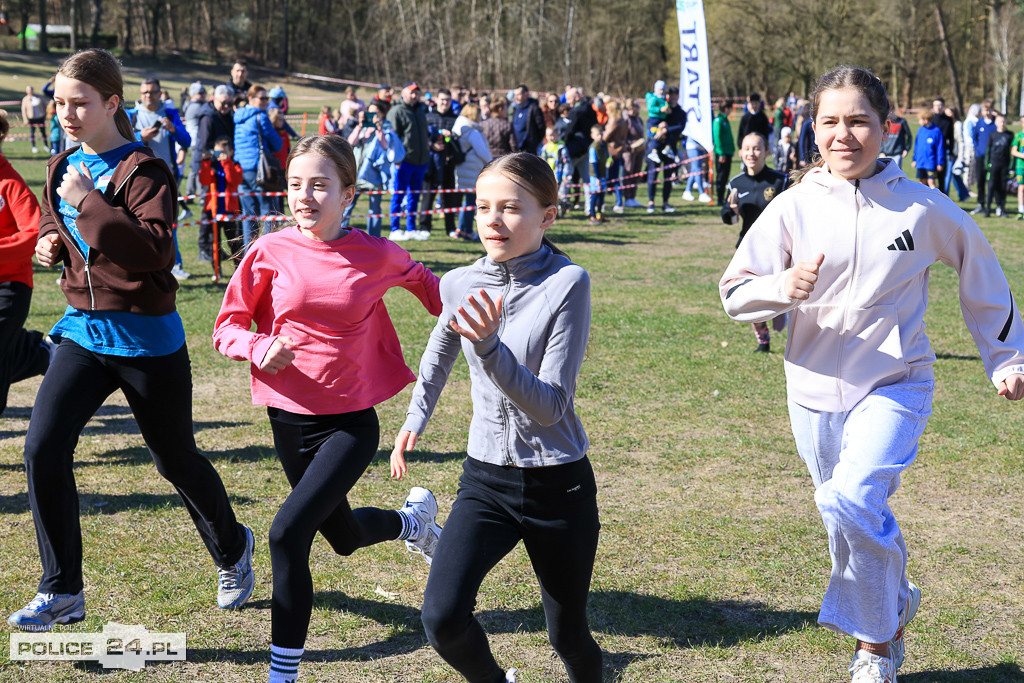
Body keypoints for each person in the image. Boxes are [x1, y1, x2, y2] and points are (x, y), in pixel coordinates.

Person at [720, 64, 1024, 683]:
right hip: (809, 389)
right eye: (830, 121)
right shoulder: (792, 206)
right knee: (843, 516)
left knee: (852, 498)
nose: (844, 134)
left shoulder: (923, 208)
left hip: (895, 381)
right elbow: (733, 293)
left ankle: (877, 647)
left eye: (858, 120)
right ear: (812, 129)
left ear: (886, 126)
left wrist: (1007, 357)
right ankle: (895, 599)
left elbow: (982, 280)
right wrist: (782, 287)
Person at [8, 48, 255, 634]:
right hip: (83, 333)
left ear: (111, 103)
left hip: (146, 339)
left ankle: (231, 545)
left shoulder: (145, 171)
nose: (66, 114)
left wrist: (86, 204)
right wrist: (49, 238)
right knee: (42, 449)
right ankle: (63, 590)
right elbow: (53, 216)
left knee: (175, 460)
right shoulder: (63, 161)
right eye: (59, 103)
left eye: (80, 104)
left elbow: (153, 252)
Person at [213, 134, 442, 683]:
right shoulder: (268, 251)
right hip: (288, 420)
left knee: (286, 533)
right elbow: (226, 328)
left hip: (350, 424)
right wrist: (257, 346)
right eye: (296, 185)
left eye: (319, 185)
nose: (304, 196)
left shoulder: (378, 253)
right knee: (339, 537)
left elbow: (438, 294)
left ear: (348, 194)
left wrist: (493, 295)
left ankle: (282, 673)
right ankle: (413, 523)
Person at [391, 152, 601, 683]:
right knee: (440, 617)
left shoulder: (568, 283)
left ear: (547, 216)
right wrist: (416, 416)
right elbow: (439, 347)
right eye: (483, 206)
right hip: (486, 480)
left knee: (567, 635)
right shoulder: (459, 281)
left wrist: (489, 348)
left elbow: (552, 406)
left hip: (559, 486)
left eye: (511, 207)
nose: (493, 219)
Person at [0, 110, 51, 415]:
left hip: (10, 286)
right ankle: (36, 352)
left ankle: (33, 350)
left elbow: (34, 232)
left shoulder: (10, 183)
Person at [721, 131, 787, 352]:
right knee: (753, 296)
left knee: (784, 292)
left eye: (757, 148)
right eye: (747, 148)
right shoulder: (735, 183)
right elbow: (727, 218)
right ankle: (763, 340)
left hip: (780, 249)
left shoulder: (780, 180)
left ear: (766, 152)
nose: (752, 153)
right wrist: (731, 212)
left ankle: (785, 319)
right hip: (748, 250)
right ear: (741, 152)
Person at [133, 77, 192, 280]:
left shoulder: (170, 114)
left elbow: (187, 140)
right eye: (145, 92)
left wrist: (173, 129)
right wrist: (140, 137)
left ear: (160, 93)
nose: (149, 95)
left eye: (152, 91)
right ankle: (142, 264)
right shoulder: (131, 115)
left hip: (167, 178)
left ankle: (175, 264)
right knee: (138, 223)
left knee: (169, 223)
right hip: (138, 178)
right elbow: (120, 142)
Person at [234, 84, 283, 251]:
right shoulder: (261, 117)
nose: (265, 102)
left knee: (248, 216)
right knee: (269, 212)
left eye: (266, 98)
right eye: (261, 98)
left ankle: (249, 254)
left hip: (241, 169)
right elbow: (277, 145)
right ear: (251, 99)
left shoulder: (238, 116)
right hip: (259, 169)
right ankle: (268, 251)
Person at [345, 103, 405, 237]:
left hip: (374, 176)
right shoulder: (362, 128)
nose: (372, 116)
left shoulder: (387, 129)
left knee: (375, 210)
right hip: (356, 175)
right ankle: (339, 236)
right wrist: (360, 125)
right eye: (369, 112)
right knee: (346, 206)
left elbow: (386, 147)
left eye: (375, 113)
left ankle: (374, 240)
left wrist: (379, 128)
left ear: (382, 114)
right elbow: (350, 142)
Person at [192, 84, 235, 263]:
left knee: (223, 210)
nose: (225, 106)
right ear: (214, 99)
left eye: (228, 103)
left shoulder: (227, 115)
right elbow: (205, 147)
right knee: (208, 210)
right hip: (207, 168)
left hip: (223, 168)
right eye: (222, 103)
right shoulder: (208, 117)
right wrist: (224, 155)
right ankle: (205, 249)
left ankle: (216, 248)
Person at [386, 82, 430, 241]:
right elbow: (392, 138)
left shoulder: (420, 110)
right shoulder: (396, 111)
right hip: (404, 162)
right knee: (398, 195)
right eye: (412, 92)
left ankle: (411, 228)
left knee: (414, 196)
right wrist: (397, 158)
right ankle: (395, 228)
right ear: (403, 93)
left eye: (417, 92)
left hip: (421, 161)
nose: (415, 95)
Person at [418, 88, 459, 241]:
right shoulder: (427, 117)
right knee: (428, 195)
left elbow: (460, 139)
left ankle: (450, 228)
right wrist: (432, 145)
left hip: (449, 162)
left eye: (448, 100)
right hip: (430, 163)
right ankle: (424, 226)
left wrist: (452, 137)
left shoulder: (455, 119)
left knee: (449, 197)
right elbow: (422, 137)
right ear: (436, 99)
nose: (445, 103)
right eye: (442, 99)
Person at [198, 136, 244, 264]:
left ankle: (238, 268)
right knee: (215, 243)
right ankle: (216, 271)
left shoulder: (235, 165)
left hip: (230, 211)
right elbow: (204, 180)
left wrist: (227, 162)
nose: (220, 156)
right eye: (217, 152)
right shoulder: (212, 165)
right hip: (213, 210)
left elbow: (234, 180)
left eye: (223, 152)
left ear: (231, 152)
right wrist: (205, 161)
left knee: (235, 242)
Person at [451, 103, 493, 239]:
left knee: (467, 201)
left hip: (464, 169)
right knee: (471, 202)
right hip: (472, 169)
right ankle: (467, 230)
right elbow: (482, 152)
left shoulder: (458, 128)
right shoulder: (472, 131)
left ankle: (460, 228)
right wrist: (492, 163)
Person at [985, 112, 1013, 218]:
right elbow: (988, 150)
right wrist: (987, 163)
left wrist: (1011, 167)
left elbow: (1012, 151)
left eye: (1004, 121)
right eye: (1000, 121)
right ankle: (987, 209)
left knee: (1002, 187)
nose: (1002, 123)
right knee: (991, 186)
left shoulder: (1010, 135)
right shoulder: (993, 134)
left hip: (1004, 165)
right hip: (994, 164)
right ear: (996, 122)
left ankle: (1002, 209)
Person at [970, 99, 996, 214]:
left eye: (989, 109)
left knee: (991, 182)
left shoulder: (996, 123)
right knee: (980, 181)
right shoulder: (980, 122)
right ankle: (981, 203)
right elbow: (974, 137)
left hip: (992, 157)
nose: (987, 112)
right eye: (985, 110)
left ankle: (992, 205)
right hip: (980, 156)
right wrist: (978, 148)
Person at [911, 109, 943, 190]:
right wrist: (915, 160)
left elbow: (940, 148)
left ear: (926, 120)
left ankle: (936, 200)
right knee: (922, 182)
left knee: (931, 182)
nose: (919, 122)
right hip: (921, 162)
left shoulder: (936, 131)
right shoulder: (920, 130)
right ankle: (924, 201)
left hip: (930, 163)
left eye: (920, 120)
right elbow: (917, 146)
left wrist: (940, 163)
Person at [712, 99, 735, 205]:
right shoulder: (718, 120)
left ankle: (724, 198)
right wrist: (721, 153)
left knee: (726, 176)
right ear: (726, 108)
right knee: (721, 176)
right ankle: (720, 199)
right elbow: (717, 137)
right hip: (722, 153)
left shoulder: (726, 120)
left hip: (728, 152)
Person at [511, 85, 545, 155]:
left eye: (518, 94)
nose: (516, 97)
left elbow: (541, 127)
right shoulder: (516, 108)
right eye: (515, 95)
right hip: (516, 149)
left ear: (526, 94)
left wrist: (534, 142)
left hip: (529, 149)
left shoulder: (534, 108)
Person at [879, 103, 911, 170]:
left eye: (890, 111)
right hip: (885, 154)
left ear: (894, 110)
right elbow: (879, 136)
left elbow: (909, 136)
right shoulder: (883, 122)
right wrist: (881, 151)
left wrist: (906, 149)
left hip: (897, 154)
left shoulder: (902, 121)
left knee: (896, 177)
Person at [20, 85, 46, 154]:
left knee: (43, 132)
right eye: (28, 90)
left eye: (30, 90)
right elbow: (23, 110)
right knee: (32, 133)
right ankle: (33, 147)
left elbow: (45, 105)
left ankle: (46, 145)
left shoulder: (39, 97)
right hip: (31, 119)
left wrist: (45, 114)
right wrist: (25, 119)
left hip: (40, 118)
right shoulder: (25, 99)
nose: (29, 91)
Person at [1012, 114, 1024, 220]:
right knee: (1021, 187)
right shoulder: (1019, 136)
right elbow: (1013, 151)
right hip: (1021, 166)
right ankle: (1021, 210)